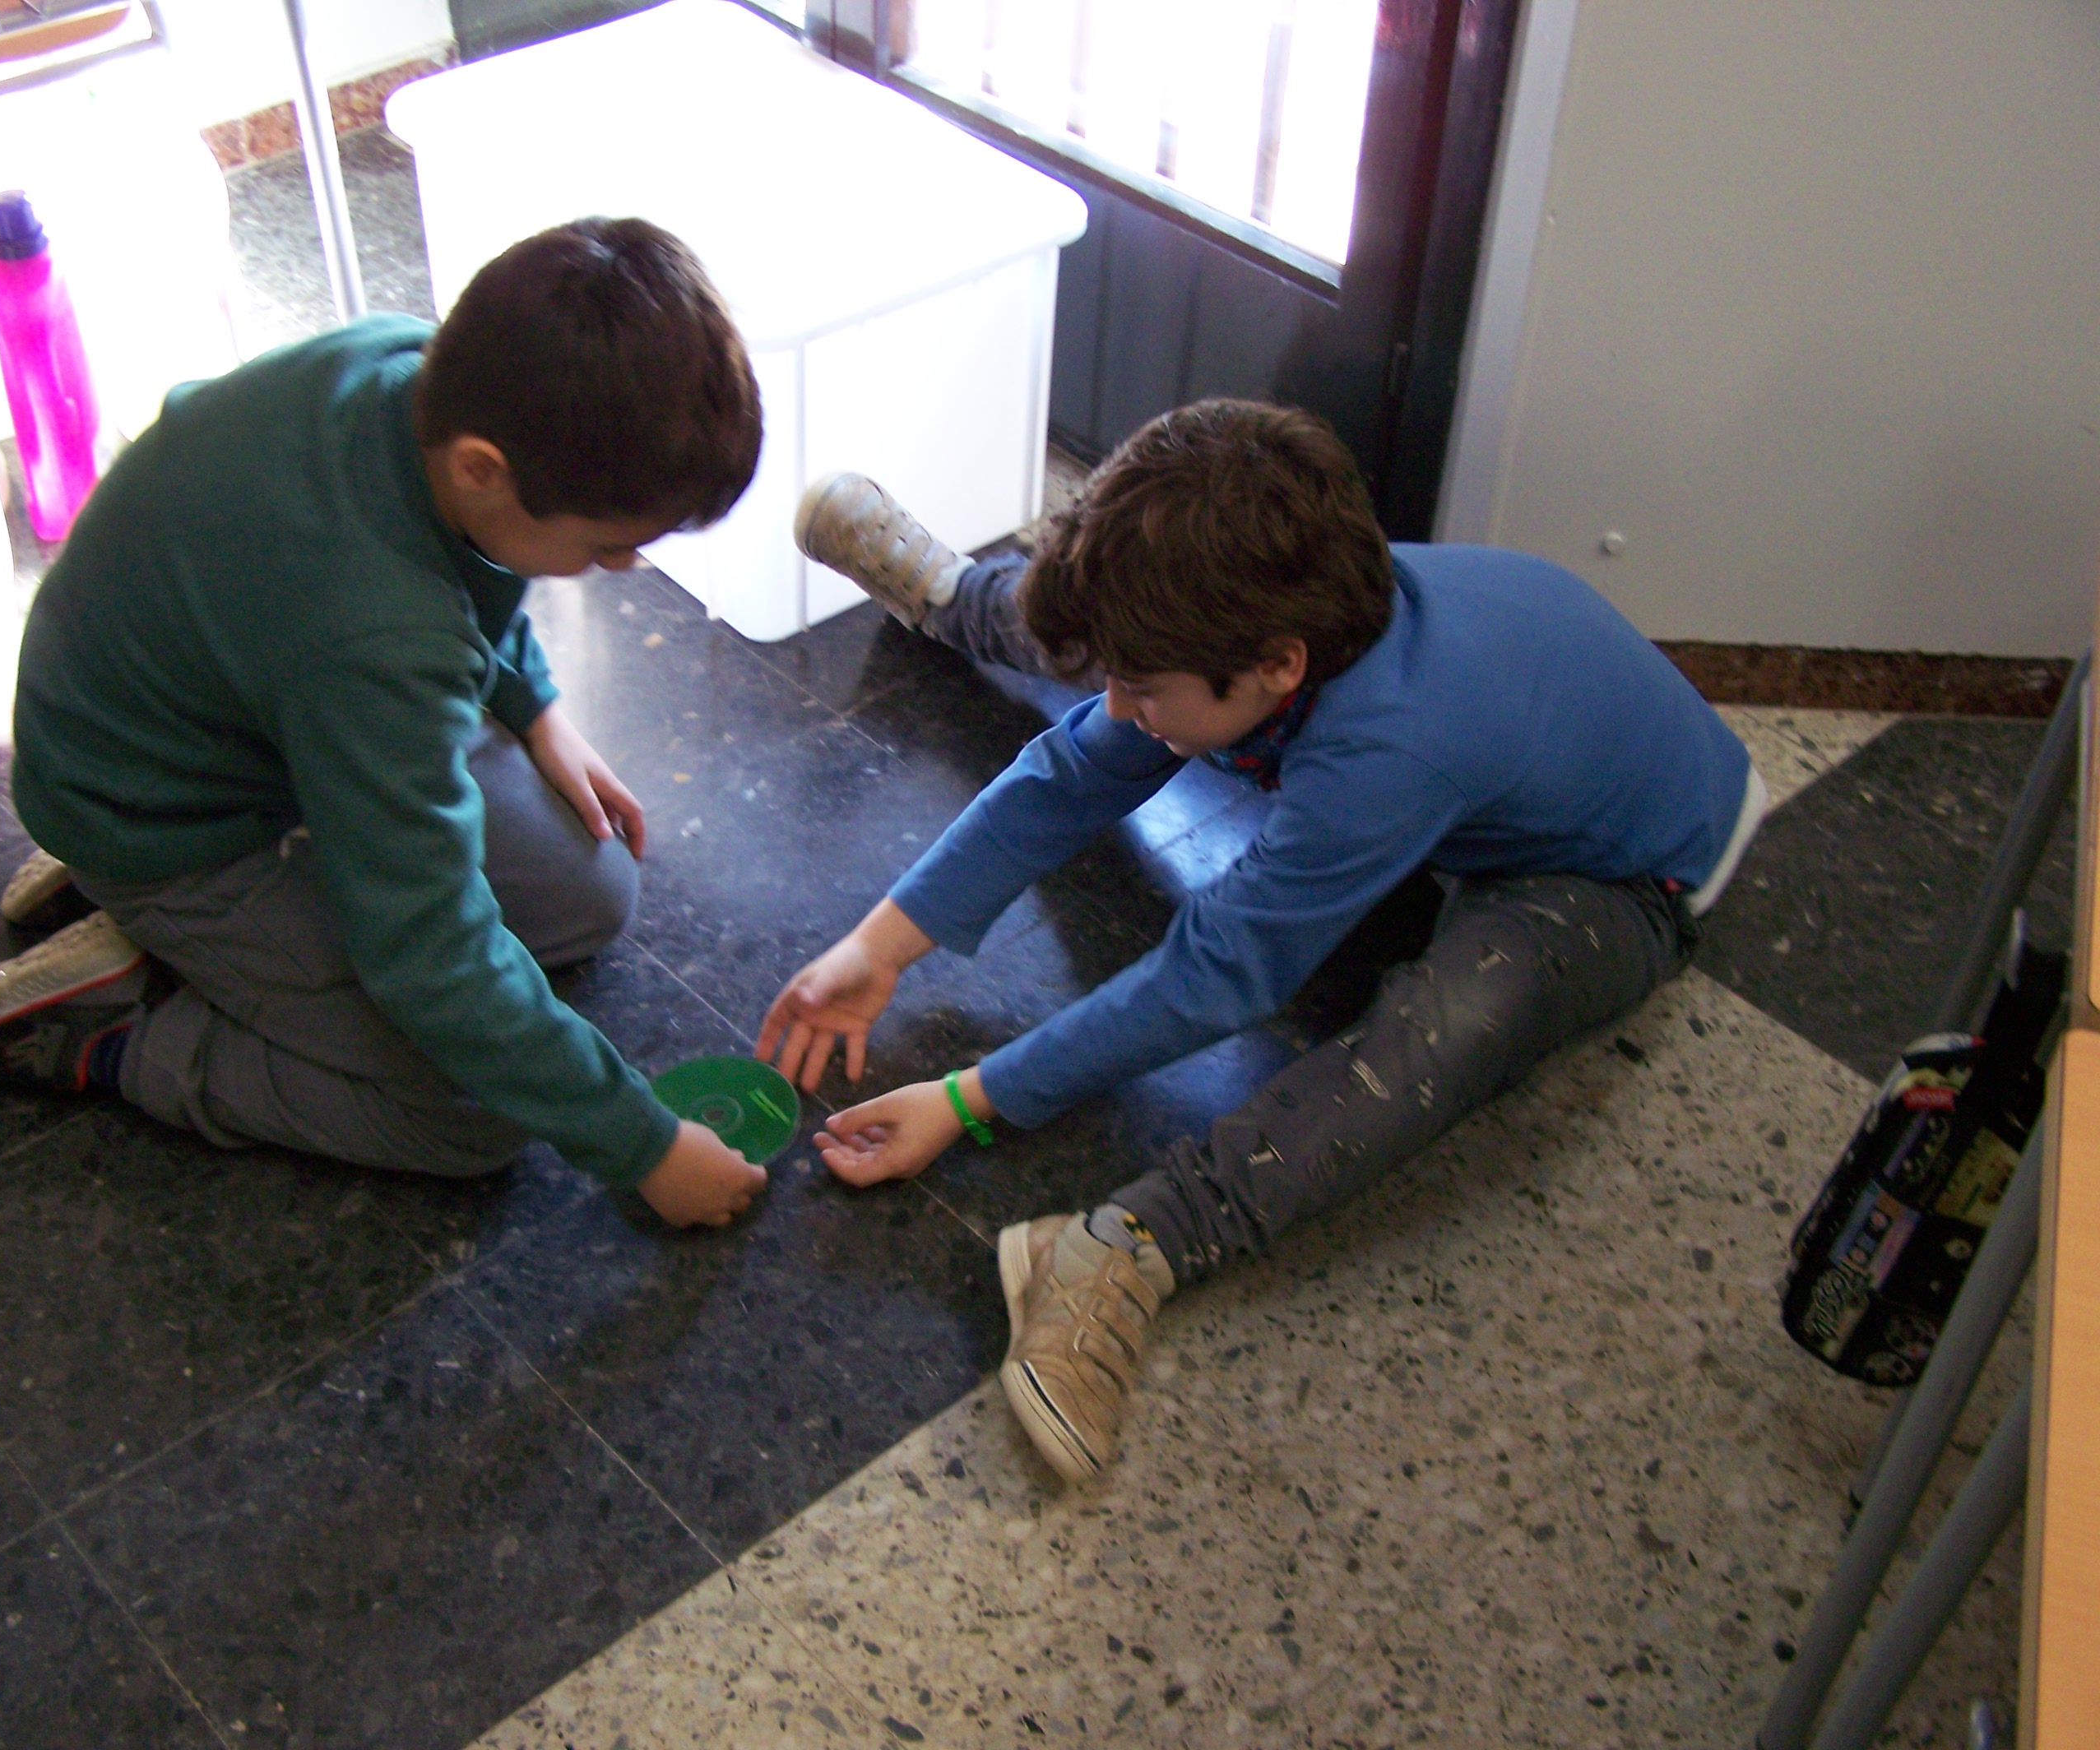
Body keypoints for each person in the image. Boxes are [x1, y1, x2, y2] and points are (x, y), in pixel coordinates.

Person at [758, 400, 1769, 1478]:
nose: (1117, 706)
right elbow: (1076, 767)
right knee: (1096, 645)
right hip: (1476, 754)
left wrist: (971, 1099)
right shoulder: (1269, 626)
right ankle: (958, 596)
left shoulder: (1387, 754)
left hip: (1624, 877)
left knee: (1457, 1020)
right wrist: (879, 945)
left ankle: (1127, 1249)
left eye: (1144, 688)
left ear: (1281, 669)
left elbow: (1214, 977)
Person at [0, 218, 772, 1230]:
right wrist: (642, 1143)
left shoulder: (426, 372)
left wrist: (532, 707)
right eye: (608, 545)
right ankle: (126, 1025)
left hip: (205, 711)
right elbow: (429, 954)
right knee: (471, 1116)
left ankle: (199, 893)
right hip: (156, 815)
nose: (623, 568)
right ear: (483, 469)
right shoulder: (375, 638)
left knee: (593, 889)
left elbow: (470, 568)